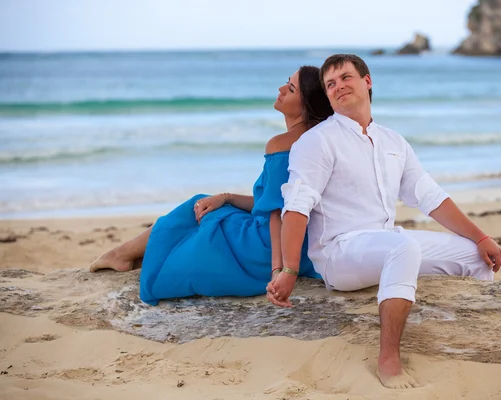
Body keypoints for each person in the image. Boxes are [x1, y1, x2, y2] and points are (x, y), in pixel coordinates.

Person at [266, 54, 501, 389]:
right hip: (340, 253)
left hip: (385, 241)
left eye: (346, 78)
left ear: (367, 81)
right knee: (402, 245)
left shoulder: (394, 142)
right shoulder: (317, 141)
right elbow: (296, 206)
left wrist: (481, 238)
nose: (338, 87)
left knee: (474, 257)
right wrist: (288, 271)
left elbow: (430, 197)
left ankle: (476, 340)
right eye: (330, 84)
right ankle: (389, 358)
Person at [90, 65, 334, 306]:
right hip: (302, 246)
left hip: (269, 246)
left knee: (197, 212)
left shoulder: (281, 144)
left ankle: (122, 254)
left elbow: (275, 213)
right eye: (286, 82)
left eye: (290, 89)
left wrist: (278, 270)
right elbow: (273, 202)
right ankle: (126, 253)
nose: (281, 88)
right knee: (207, 204)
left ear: (305, 107)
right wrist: (226, 197)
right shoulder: (316, 140)